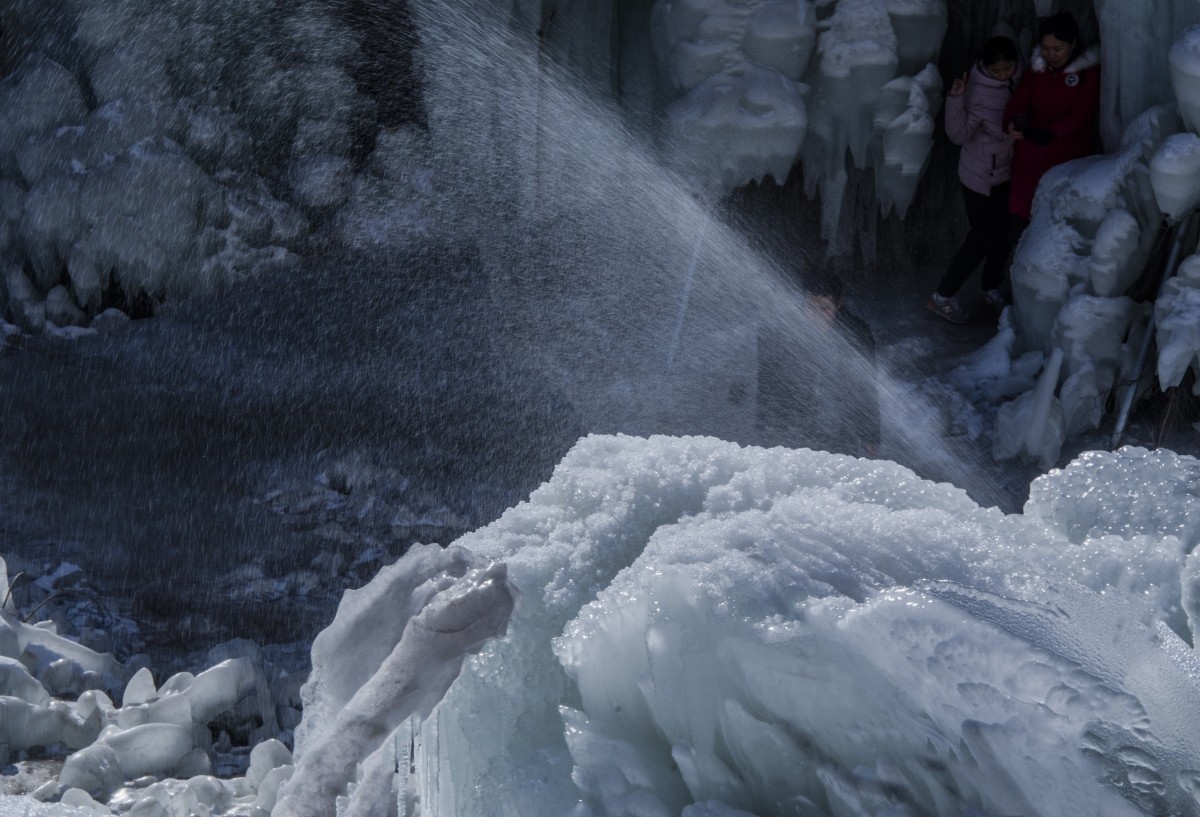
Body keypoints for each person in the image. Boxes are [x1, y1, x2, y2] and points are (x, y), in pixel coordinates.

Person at [927, 36, 1020, 325]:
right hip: (979, 177)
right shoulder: (976, 91)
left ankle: (990, 287)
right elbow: (958, 135)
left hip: (1004, 173)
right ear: (986, 67)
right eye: (998, 70)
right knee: (982, 237)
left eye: (1009, 68)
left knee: (1003, 234)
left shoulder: (1016, 79)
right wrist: (956, 99)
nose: (1004, 74)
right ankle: (942, 295)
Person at [755, 270, 880, 457]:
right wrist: (765, 431)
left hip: (842, 428)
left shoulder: (856, 334)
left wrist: (872, 435)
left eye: (825, 308)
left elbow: (868, 387)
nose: (817, 315)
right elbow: (768, 380)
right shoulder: (782, 332)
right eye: (811, 308)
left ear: (838, 305)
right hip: (795, 424)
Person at [1004, 12, 1101, 232]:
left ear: (1073, 44)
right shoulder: (1037, 68)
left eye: (1057, 49)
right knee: (1018, 226)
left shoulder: (1086, 72)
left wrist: (1052, 133)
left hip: (1064, 161)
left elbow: (1082, 113)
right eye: (1046, 49)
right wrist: (1012, 120)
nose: (1051, 55)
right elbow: (1021, 98)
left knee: (1050, 229)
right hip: (1028, 161)